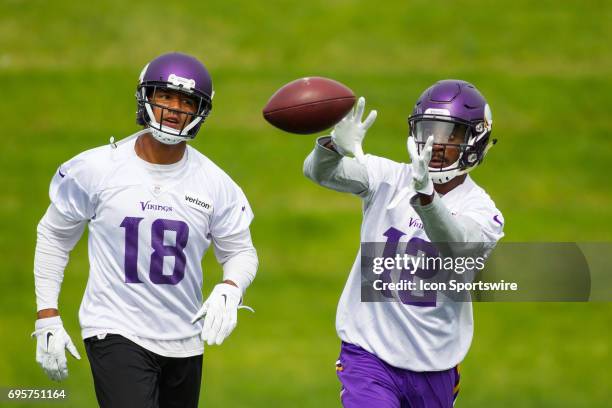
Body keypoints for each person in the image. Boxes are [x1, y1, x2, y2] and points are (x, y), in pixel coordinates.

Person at [32, 52, 258, 408]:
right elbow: (55, 235)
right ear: (145, 97)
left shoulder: (216, 183)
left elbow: (240, 251)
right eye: (165, 96)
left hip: (185, 336)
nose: (173, 109)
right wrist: (47, 313)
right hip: (114, 329)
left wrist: (231, 288)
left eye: (186, 101)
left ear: (200, 112)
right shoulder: (98, 167)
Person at [303, 80, 504, 407]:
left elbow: (455, 244)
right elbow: (319, 173)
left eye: (450, 134)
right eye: (429, 130)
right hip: (368, 354)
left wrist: (426, 196)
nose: (436, 143)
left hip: (434, 361)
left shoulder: (483, 210)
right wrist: (331, 148)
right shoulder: (389, 177)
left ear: (475, 140)